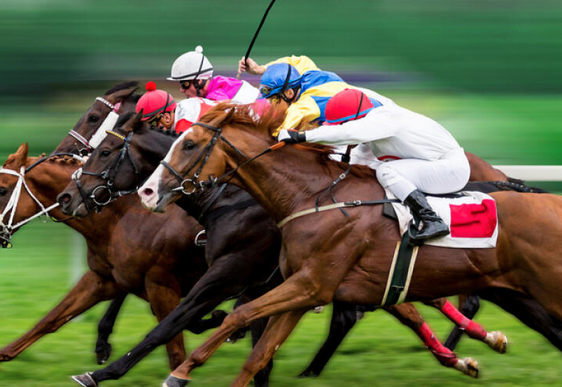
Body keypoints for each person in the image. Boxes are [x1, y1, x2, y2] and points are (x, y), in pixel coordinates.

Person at [277, 88, 469, 241]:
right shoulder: (374, 131)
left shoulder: (382, 120)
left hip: (450, 170)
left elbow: (346, 133)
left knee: (387, 171)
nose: (340, 128)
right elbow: (356, 160)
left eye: (342, 124)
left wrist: (301, 136)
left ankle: (432, 219)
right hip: (437, 165)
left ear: (355, 119)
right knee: (377, 171)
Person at [240, 55, 390, 133]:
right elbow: (294, 61)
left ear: (289, 93)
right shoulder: (305, 69)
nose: (271, 106)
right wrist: (261, 69)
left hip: (376, 125)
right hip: (377, 102)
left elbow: (278, 131)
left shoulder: (305, 106)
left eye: (274, 100)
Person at [168, 46, 259, 104]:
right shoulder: (220, 81)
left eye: (185, 84)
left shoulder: (215, 98)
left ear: (199, 81)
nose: (182, 90)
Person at [136, 82, 217, 135]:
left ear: (166, 117)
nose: (152, 132)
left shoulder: (185, 126)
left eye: (153, 125)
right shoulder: (185, 105)